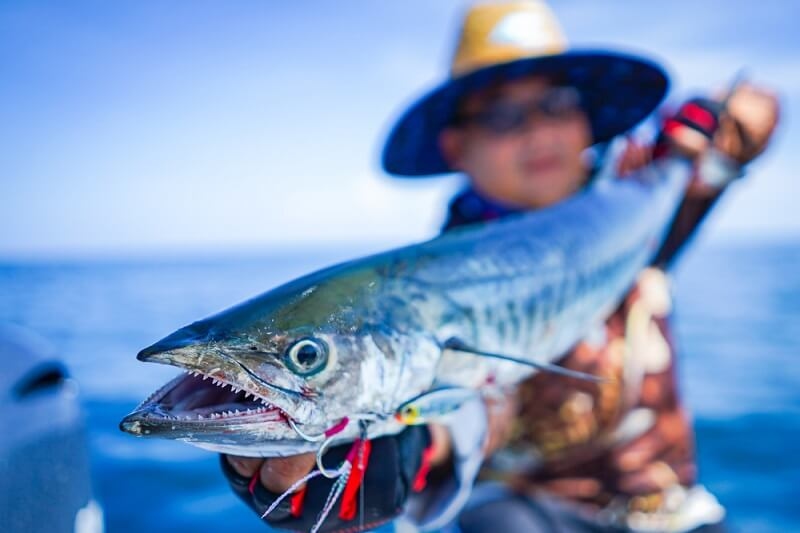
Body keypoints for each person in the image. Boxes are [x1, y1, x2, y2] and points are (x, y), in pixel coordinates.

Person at [221, 1, 780, 531]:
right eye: (502, 115)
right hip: (534, 516)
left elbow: (760, 109)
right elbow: (477, 399)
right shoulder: (431, 284)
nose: (537, 131)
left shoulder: (640, 195)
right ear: (456, 146)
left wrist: (717, 125)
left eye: (556, 103)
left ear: (586, 120)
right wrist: (420, 445)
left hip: (678, 514)